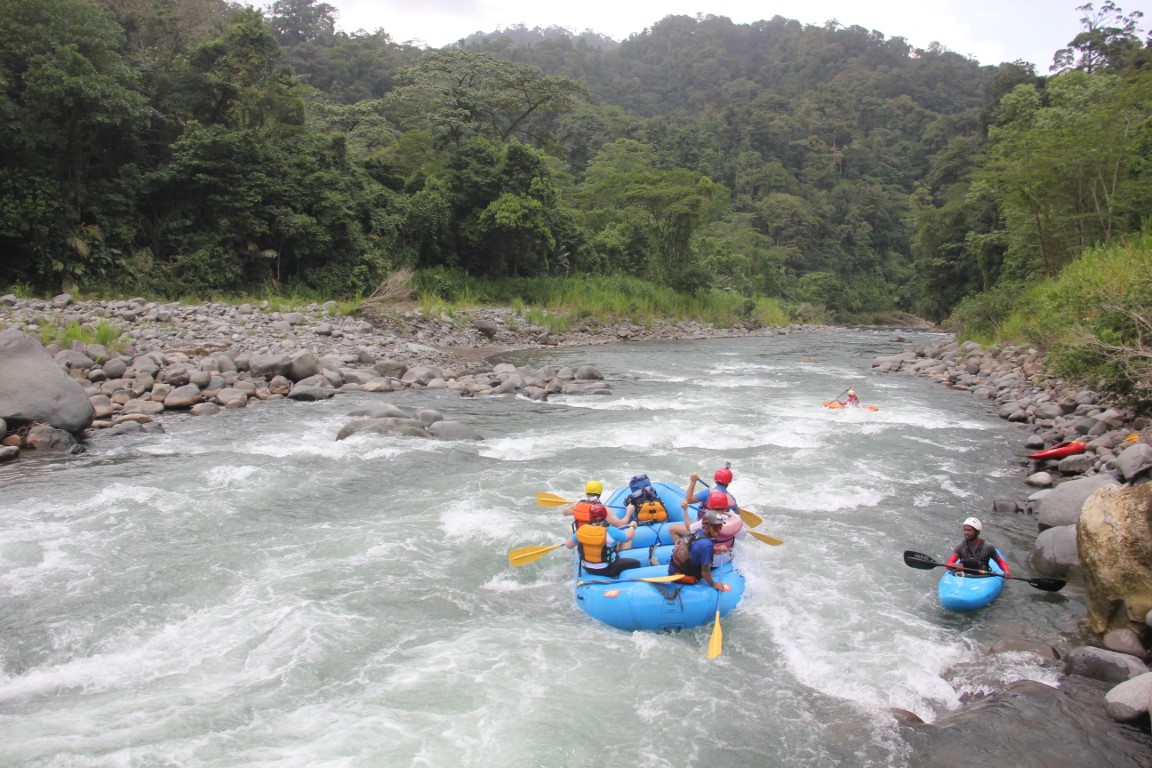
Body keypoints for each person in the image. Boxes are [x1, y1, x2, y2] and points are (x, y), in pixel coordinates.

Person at [565, 502, 642, 578]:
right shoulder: (610, 531)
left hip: (587, 568)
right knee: (636, 563)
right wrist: (633, 526)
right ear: (605, 516)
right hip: (607, 569)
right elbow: (628, 537)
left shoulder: (581, 530)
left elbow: (569, 545)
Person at [667, 509, 732, 591]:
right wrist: (714, 584)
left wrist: (718, 549)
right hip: (685, 576)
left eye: (720, 526)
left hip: (674, 568)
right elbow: (704, 572)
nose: (718, 530)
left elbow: (697, 548)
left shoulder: (698, 532)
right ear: (706, 525)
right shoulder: (707, 545)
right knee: (697, 577)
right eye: (716, 527)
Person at [945, 517, 1011, 578]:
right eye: (965, 530)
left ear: (977, 532)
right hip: (964, 576)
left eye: (969, 530)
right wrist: (954, 565)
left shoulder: (988, 547)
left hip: (982, 577)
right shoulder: (960, 546)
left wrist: (1007, 571)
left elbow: (1000, 562)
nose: (966, 532)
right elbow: (948, 564)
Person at [563, 480, 633, 536]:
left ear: (586, 492)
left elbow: (564, 512)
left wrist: (575, 504)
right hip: (598, 541)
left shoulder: (576, 506)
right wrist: (629, 512)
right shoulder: (604, 509)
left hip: (581, 539)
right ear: (600, 493)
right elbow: (621, 524)